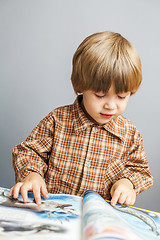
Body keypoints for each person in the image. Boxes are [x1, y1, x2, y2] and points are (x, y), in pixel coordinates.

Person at [9, 31, 153, 207]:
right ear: (81, 87)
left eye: (122, 96)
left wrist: (127, 184)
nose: (111, 106)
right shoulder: (57, 121)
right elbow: (29, 152)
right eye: (100, 95)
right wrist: (33, 175)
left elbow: (140, 170)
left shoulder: (130, 135)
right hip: (50, 213)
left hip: (97, 221)